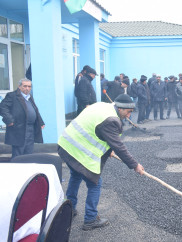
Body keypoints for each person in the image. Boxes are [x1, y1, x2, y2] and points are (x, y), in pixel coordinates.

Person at [57, 94, 145, 230]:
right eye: (128, 112)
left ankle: (69, 209)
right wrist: (135, 165)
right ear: (120, 108)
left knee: (75, 176)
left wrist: (107, 149)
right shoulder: (111, 120)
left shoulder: (104, 106)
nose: (129, 116)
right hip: (78, 151)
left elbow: (95, 129)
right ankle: (90, 219)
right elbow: (119, 146)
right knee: (95, 184)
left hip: (66, 145)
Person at [0, 79, 45, 158]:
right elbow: (2, 107)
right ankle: (16, 169)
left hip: (30, 129)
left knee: (28, 153)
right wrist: (9, 120)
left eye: (29, 86)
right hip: (18, 129)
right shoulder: (12, 95)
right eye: (25, 86)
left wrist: (40, 122)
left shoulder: (30, 97)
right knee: (18, 154)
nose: (27, 88)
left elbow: (35, 110)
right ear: (19, 86)